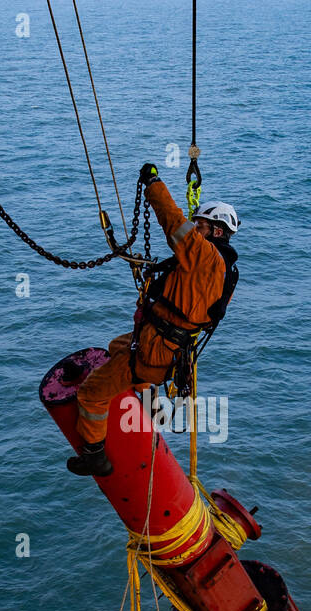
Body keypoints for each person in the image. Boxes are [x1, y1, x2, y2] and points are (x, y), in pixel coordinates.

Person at [67, 162, 239, 476]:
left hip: (155, 347)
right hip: (167, 344)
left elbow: (173, 222)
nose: (193, 228)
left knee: (91, 395)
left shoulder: (205, 256)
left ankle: (95, 456)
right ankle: (151, 409)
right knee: (117, 345)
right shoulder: (224, 269)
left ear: (216, 230)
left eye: (199, 225)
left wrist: (153, 182)